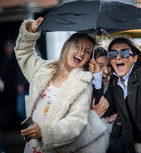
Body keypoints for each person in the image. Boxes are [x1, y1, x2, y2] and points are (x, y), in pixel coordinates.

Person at [15, 17, 106, 153]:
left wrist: (45, 133)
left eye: (87, 51)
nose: (81, 53)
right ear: (66, 47)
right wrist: (30, 32)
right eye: (78, 47)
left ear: (88, 59)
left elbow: (75, 123)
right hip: (30, 147)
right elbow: (24, 54)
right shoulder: (43, 69)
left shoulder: (83, 84)